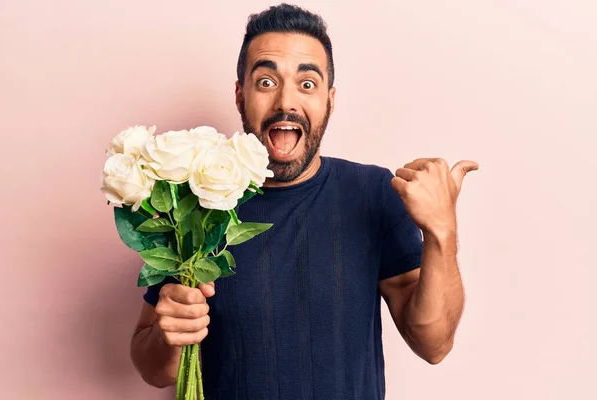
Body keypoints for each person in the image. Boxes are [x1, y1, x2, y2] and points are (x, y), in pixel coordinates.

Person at [130, 3, 478, 399]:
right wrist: (168, 335)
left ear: (330, 100)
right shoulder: (191, 205)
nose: (286, 102)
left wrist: (441, 233)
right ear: (240, 95)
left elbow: (433, 345)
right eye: (266, 82)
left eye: (307, 84)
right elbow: (152, 368)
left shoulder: (373, 193)